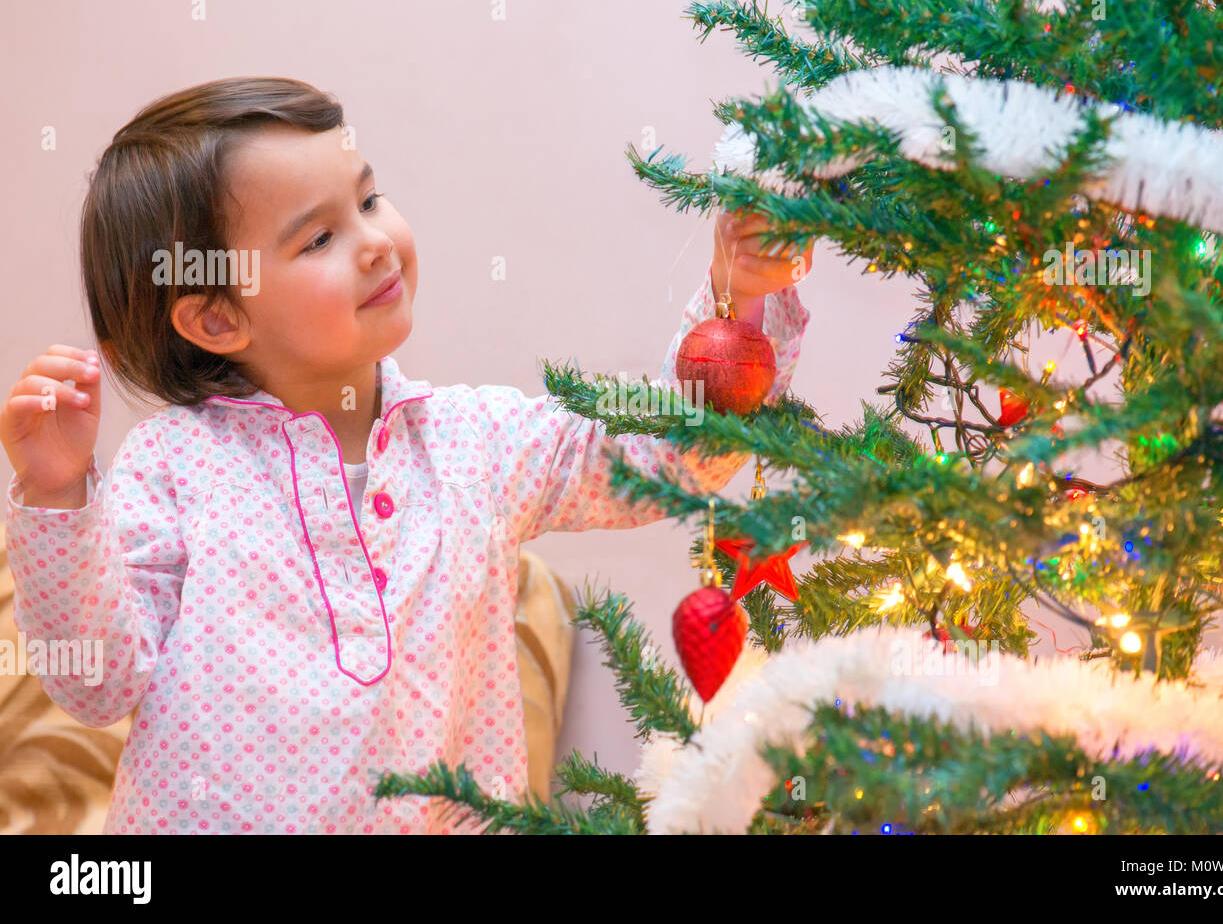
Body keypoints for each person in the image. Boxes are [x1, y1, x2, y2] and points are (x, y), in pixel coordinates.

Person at [0, 76, 813, 834]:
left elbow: (665, 457)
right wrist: (55, 487)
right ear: (217, 319)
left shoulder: (477, 442)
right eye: (319, 236)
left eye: (368, 200)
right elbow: (95, 681)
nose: (375, 243)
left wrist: (737, 297)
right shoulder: (173, 469)